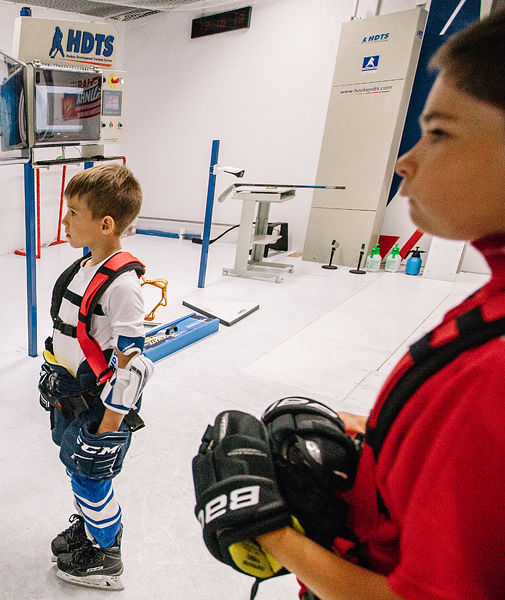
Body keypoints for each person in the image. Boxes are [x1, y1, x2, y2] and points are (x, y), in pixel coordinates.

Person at [196, 9, 505, 600]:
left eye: (439, 133)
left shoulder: (494, 379)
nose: (406, 161)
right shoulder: (492, 303)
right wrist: (374, 435)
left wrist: (270, 531)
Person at [38, 163, 154, 591]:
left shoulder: (123, 287)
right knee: (76, 469)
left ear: (105, 224)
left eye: (72, 212)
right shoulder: (84, 267)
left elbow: (133, 365)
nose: (64, 220)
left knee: (91, 476)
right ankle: (90, 531)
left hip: (100, 407)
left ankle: (106, 554)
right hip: (71, 394)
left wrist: (110, 423)